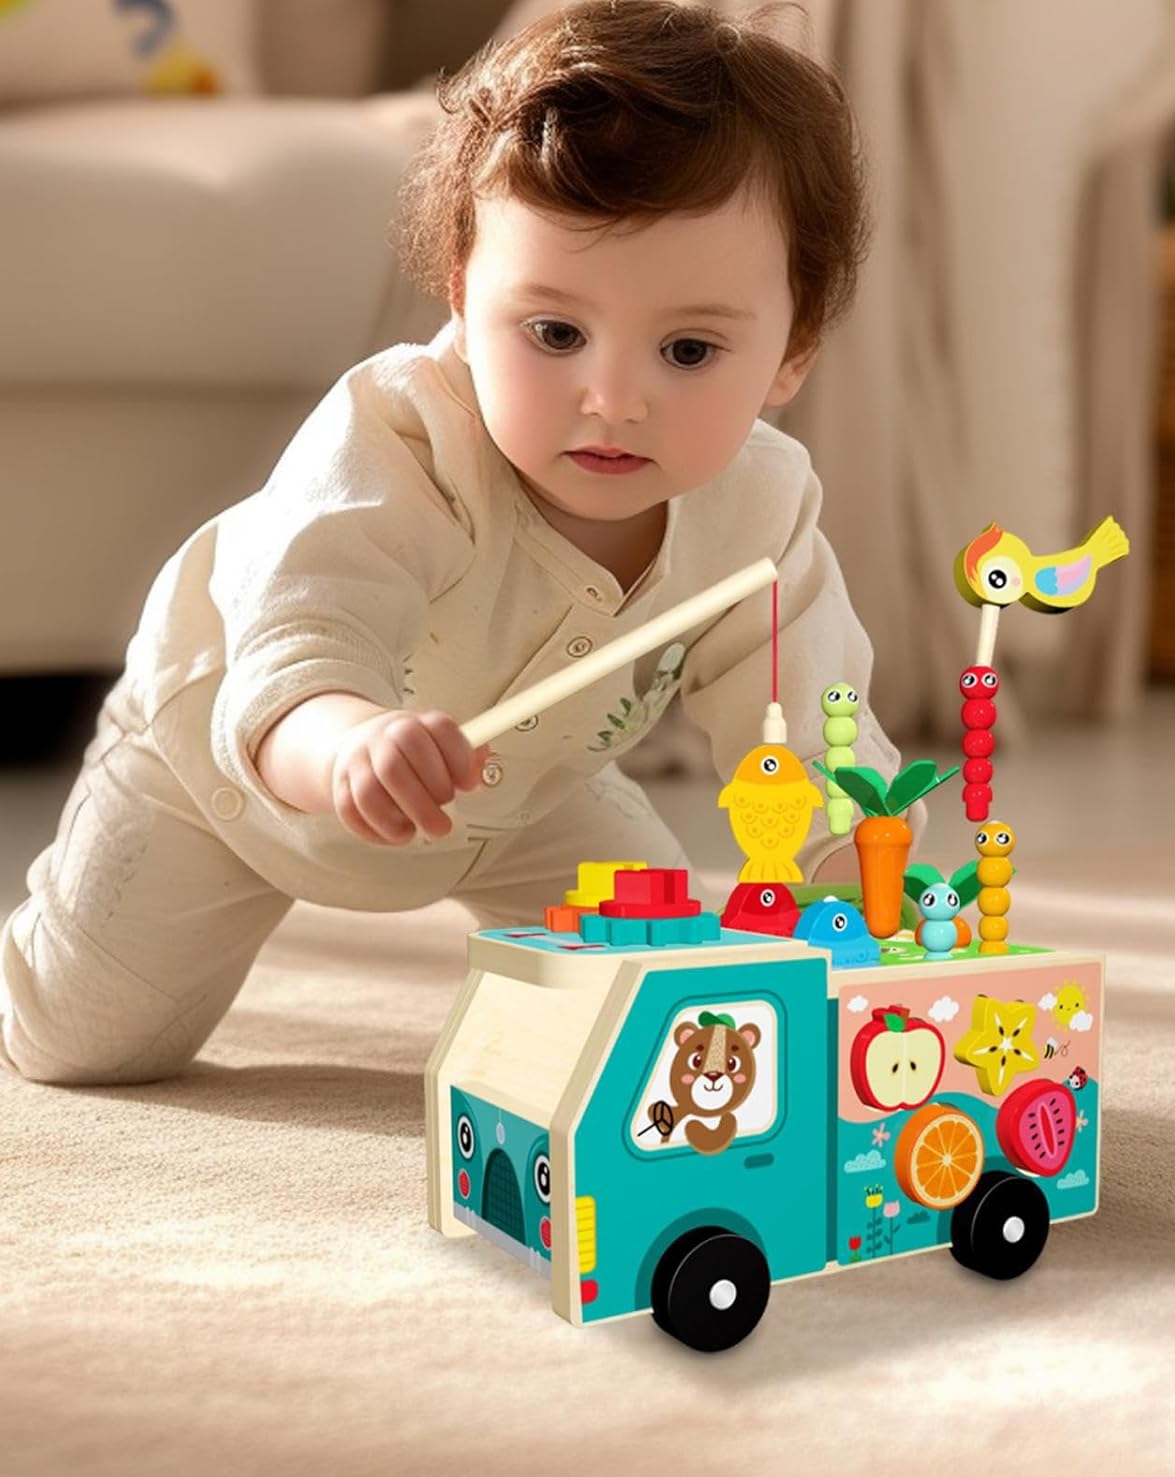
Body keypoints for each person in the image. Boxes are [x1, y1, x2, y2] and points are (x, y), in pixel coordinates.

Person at [0, 0, 922, 1085]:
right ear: (461, 297)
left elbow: (817, 737)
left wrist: (872, 888)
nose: (612, 399)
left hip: (524, 801)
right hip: (233, 767)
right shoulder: (399, 439)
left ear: (792, 354)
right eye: (555, 333)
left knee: (668, 1009)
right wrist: (350, 744)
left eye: (687, 350)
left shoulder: (762, 509)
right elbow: (301, 643)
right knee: (79, 1043)